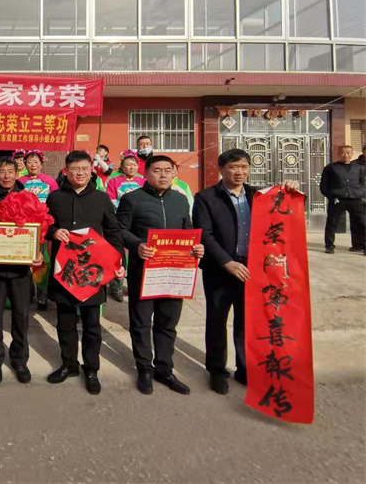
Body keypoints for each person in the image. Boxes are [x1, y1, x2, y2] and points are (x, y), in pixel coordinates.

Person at [193, 149, 300, 394]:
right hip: (220, 270)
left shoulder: (259, 196)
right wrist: (227, 262)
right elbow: (204, 235)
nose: (239, 172)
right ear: (221, 169)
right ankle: (216, 370)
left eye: (243, 167)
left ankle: (244, 368)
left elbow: (285, 212)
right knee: (217, 321)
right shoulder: (206, 197)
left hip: (253, 271)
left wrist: (290, 189)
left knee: (247, 322)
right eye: (233, 167)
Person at [117, 155, 204, 395]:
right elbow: (120, 230)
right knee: (141, 323)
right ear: (146, 173)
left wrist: (196, 247)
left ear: (174, 173)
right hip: (144, 271)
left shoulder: (180, 199)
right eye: (157, 170)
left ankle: (164, 369)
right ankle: (144, 368)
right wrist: (137, 245)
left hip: (175, 273)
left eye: (168, 170)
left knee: (167, 324)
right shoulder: (132, 199)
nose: (163, 174)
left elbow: (188, 230)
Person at [45, 150, 125, 395]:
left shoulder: (101, 198)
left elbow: (113, 231)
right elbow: (45, 224)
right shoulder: (55, 197)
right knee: (65, 322)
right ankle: (69, 365)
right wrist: (54, 232)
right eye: (74, 169)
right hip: (64, 271)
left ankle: (91, 369)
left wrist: (118, 261)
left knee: (92, 324)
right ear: (66, 171)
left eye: (83, 169)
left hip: (92, 272)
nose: (79, 173)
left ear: (91, 170)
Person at [0, 157, 44, 384]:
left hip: (21, 269)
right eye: (2, 171)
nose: (6, 176)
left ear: (17, 173)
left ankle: (20, 359)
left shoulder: (28, 199)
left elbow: (39, 229)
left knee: (21, 315)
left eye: (10, 171)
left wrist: (39, 252)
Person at [19, 150, 59, 310]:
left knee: (43, 260)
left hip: (44, 226)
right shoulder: (20, 181)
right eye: (29, 162)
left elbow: (55, 204)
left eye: (36, 162)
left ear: (41, 164)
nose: (33, 165)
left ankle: (42, 295)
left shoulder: (50, 181)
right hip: (24, 227)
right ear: (25, 164)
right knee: (25, 260)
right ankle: (27, 293)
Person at [320, 145, 366, 254]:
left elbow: (363, 183)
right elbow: (324, 185)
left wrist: (361, 193)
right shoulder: (331, 168)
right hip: (338, 199)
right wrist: (331, 196)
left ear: (352, 153)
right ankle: (329, 245)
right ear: (338, 154)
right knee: (332, 223)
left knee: (362, 223)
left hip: (355, 198)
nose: (346, 155)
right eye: (343, 153)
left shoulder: (359, 168)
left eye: (348, 152)